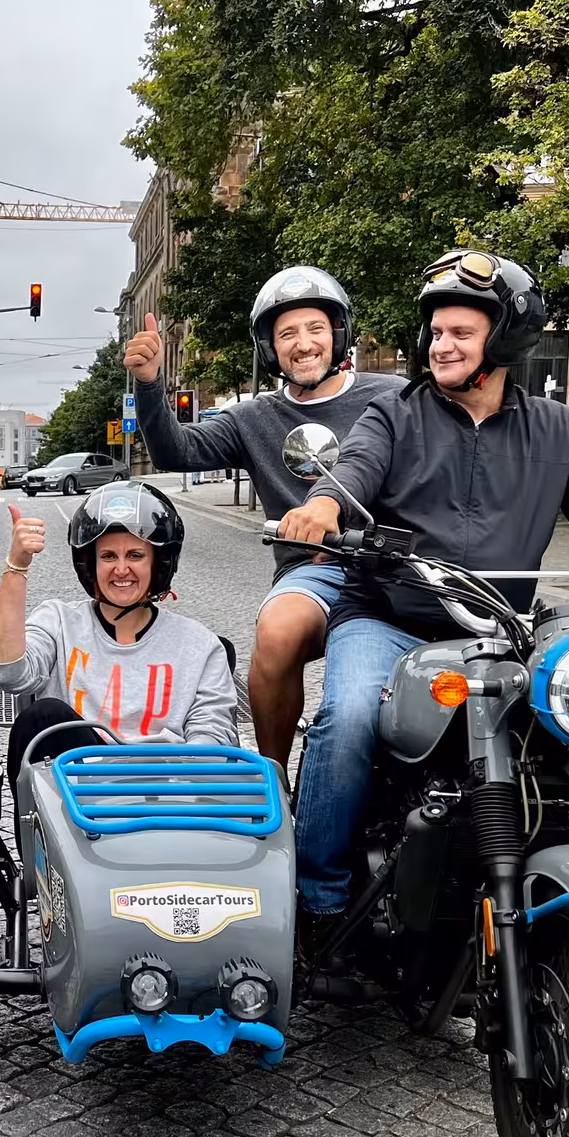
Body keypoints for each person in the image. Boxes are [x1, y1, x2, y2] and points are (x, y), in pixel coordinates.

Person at [278, 249, 569, 938]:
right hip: (390, 618)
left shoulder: (554, 430)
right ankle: (319, 902)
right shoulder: (394, 415)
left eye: (460, 332)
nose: (442, 344)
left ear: (506, 340)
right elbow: (356, 471)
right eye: (436, 332)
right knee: (344, 722)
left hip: (498, 632)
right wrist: (325, 508)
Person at [127, 268, 402, 770]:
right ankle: (272, 775)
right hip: (314, 572)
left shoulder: (393, 396)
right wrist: (150, 386)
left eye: (315, 329)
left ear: (337, 334)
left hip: (399, 565)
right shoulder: (253, 417)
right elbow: (175, 450)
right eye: (287, 334)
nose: (303, 344)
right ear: (270, 349)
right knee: (275, 633)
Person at [0, 482, 239, 786]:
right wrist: (16, 566)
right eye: (108, 556)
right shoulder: (58, 622)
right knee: (43, 715)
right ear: (90, 564)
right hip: (77, 799)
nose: (121, 569)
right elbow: (8, 672)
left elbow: (212, 739)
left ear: (159, 563)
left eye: (135, 555)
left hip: (169, 794)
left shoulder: (200, 644)